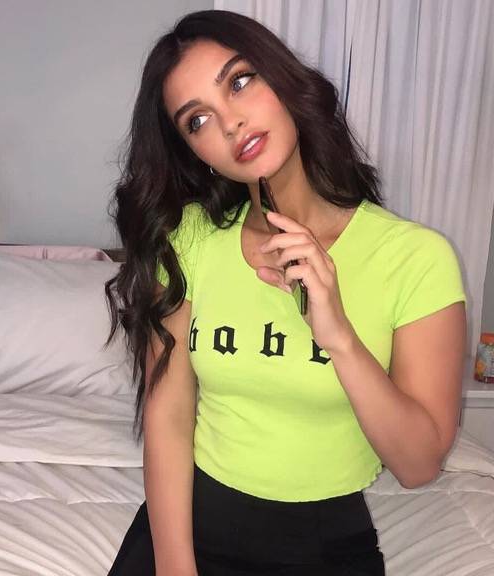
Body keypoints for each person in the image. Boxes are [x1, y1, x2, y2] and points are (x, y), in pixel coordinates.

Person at [105, 9, 467, 576]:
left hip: (323, 539)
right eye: (198, 120)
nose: (230, 124)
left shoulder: (416, 257)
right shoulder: (190, 240)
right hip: (192, 524)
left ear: (282, 79)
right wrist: (176, 565)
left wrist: (339, 335)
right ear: (193, 151)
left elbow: (419, 466)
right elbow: (168, 412)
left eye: (239, 82)